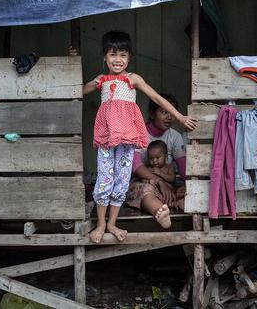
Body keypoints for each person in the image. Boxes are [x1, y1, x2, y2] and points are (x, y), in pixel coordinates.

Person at [82, 31, 197, 243]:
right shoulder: (101, 80)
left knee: (121, 181)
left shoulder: (132, 79)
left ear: (130, 58)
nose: (118, 60)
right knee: (105, 181)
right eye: (113, 54)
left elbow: (156, 97)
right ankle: (100, 224)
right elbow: (78, 91)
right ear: (104, 57)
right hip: (107, 140)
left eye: (123, 55)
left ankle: (112, 224)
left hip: (127, 141)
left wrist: (180, 117)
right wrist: (75, 63)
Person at [126, 94, 188, 229]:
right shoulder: (140, 134)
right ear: (152, 114)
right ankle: (159, 211)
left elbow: (184, 170)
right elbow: (136, 166)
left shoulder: (175, 136)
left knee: (186, 191)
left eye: (172, 112)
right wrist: (159, 181)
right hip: (145, 182)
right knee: (145, 190)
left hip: (169, 185)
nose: (170, 117)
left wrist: (187, 186)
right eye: (164, 112)